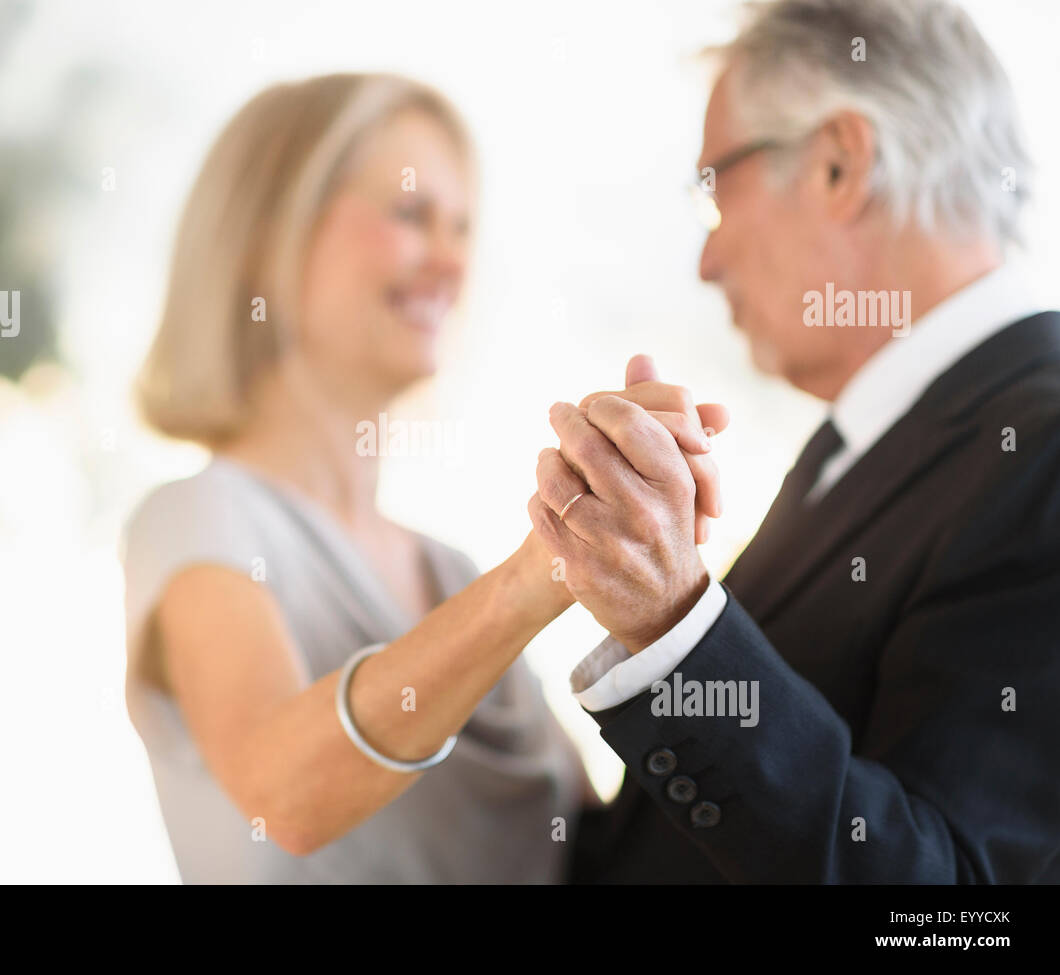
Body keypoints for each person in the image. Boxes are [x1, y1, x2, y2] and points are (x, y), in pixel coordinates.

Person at [120, 72, 728, 882]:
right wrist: (548, 564)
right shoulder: (200, 517)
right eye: (410, 214)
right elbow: (285, 795)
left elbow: (611, 857)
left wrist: (654, 555)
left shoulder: (450, 573)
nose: (450, 261)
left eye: (463, 227)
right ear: (269, 237)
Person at [535, 0, 1060, 883]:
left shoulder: (1041, 449)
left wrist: (673, 623)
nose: (705, 262)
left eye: (716, 187)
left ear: (838, 164)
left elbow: (957, 908)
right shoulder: (859, 445)